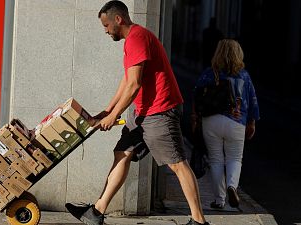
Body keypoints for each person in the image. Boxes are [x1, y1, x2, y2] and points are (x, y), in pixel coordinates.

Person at [65, 1, 209, 225]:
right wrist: (108, 110)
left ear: (118, 20)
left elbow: (134, 84)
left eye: (106, 25)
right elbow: (126, 80)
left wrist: (114, 116)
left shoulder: (137, 38)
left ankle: (199, 221)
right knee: (122, 152)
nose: (105, 31)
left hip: (159, 111)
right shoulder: (132, 40)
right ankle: (97, 211)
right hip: (142, 112)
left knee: (178, 164)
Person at [191, 39, 260, 209]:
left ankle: (219, 200)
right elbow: (252, 101)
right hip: (236, 122)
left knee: (215, 159)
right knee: (235, 158)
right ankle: (232, 186)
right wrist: (252, 122)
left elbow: (196, 95)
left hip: (211, 120)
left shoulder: (209, 73)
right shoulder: (244, 75)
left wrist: (195, 117)